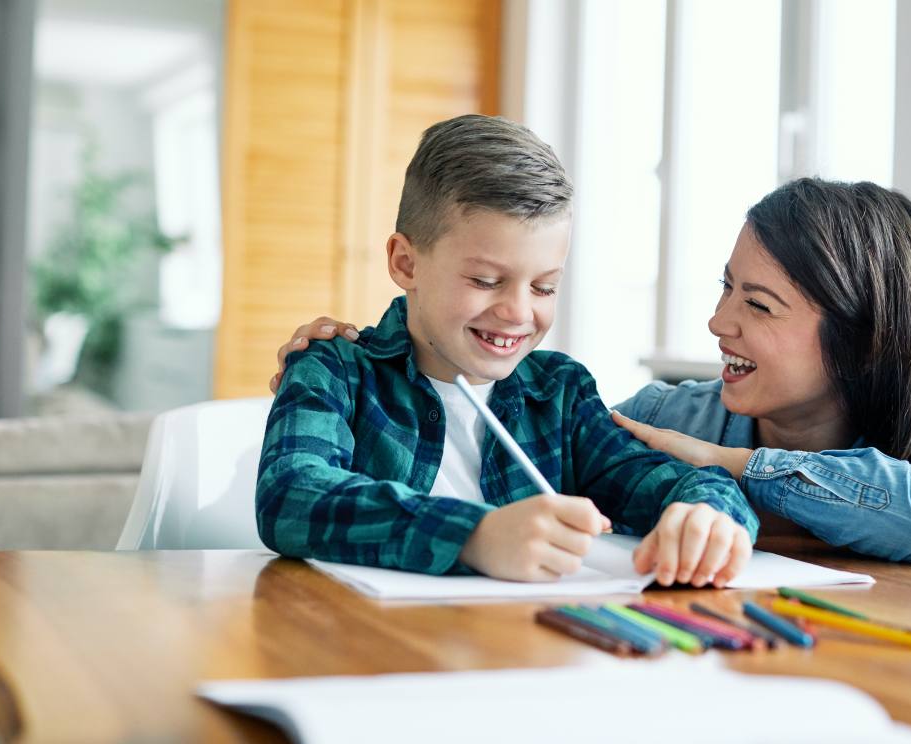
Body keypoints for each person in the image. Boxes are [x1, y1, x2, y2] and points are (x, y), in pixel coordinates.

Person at [276, 177, 911, 564]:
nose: (716, 322)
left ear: (865, 341)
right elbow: (600, 458)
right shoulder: (669, 419)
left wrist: (729, 470)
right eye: (724, 288)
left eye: (759, 305)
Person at [257, 114, 757, 588]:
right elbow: (289, 496)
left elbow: (676, 482)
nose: (518, 313)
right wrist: (475, 536)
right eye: (486, 281)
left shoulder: (560, 394)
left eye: (543, 287)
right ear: (406, 263)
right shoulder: (333, 368)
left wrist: (709, 518)